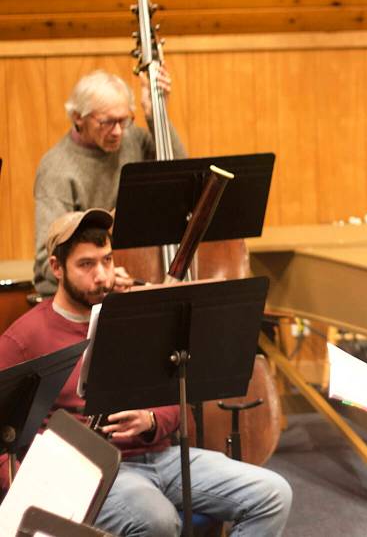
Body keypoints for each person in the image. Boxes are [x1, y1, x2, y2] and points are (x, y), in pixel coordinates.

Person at [0, 209, 292, 536]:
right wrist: (23, 485)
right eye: (86, 264)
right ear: (56, 267)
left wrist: (150, 420)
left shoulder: (135, 316)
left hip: (161, 456)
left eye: (107, 260)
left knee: (273, 494)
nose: (102, 275)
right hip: (95, 470)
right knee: (157, 520)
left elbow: (173, 400)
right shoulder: (24, 338)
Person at [33, 68, 186, 296]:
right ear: (78, 117)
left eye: (124, 121)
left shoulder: (132, 139)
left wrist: (156, 114)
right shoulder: (56, 169)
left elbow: (178, 174)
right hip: (79, 294)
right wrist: (103, 278)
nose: (117, 132)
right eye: (107, 122)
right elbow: (48, 260)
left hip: (124, 282)